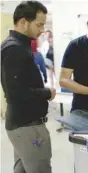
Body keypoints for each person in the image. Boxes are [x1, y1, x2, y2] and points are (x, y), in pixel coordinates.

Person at [1, 1, 56, 173]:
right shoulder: (14, 49)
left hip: (22, 124)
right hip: (27, 126)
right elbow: (16, 93)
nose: (41, 30)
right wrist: (47, 93)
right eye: (39, 25)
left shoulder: (16, 46)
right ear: (24, 22)